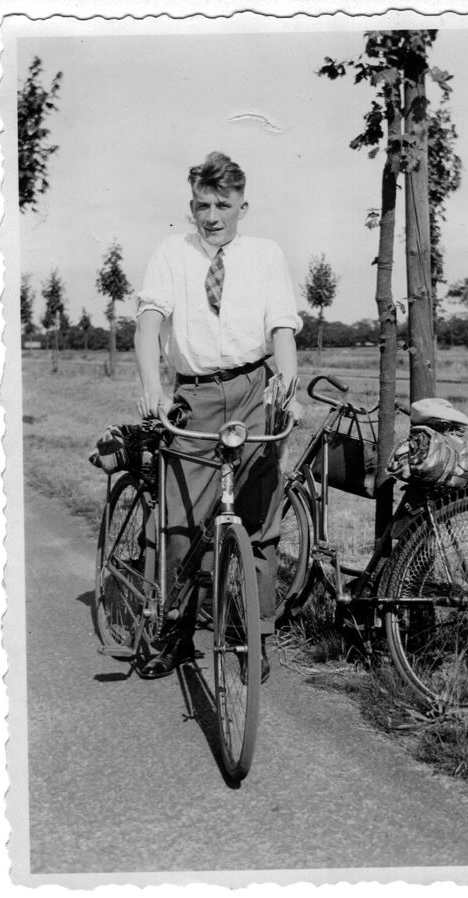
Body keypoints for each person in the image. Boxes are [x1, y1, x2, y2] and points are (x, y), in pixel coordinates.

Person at [134, 151, 302, 681]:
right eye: (203, 205)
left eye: (223, 205)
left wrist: (288, 383)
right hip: (195, 396)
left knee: (259, 521)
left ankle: (254, 636)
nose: (212, 216)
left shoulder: (266, 255)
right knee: (182, 522)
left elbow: (281, 326)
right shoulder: (171, 252)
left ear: (241, 206)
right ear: (191, 206)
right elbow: (148, 322)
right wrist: (151, 388)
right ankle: (177, 632)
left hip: (254, 389)